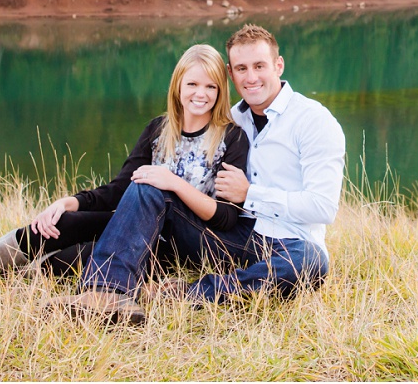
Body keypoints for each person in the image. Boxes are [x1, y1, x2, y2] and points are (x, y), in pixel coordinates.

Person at [0, 43, 250, 323]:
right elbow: (120, 189)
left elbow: (225, 219)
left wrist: (172, 182)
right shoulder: (158, 129)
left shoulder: (231, 138)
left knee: (71, 260)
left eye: (210, 86)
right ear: (178, 86)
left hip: (173, 241)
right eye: (192, 84)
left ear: (221, 91)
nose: (200, 93)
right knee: (61, 224)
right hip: (132, 223)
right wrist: (70, 201)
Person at [48, 23, 346, 323]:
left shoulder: (314, 121)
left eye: (260, 66)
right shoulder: (231, 121)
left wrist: (250, 195)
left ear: (278, 65)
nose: (251, 77)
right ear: (231, 74)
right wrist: (75, 201)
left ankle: (187, 293)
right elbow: (133, 177)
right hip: (225, 234)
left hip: (288, 243)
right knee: (148, 185)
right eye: (242, 68)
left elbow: (323, 207)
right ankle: (105, 292)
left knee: (311, 262)